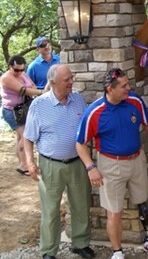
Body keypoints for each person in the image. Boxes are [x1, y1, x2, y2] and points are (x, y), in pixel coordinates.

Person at [75, 68, 148, 259]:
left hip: (136, 160)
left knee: (142, 201)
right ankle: (117, 252)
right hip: (110, 165)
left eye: (128, 84)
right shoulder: (94, 112)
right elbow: (80, 143)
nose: (129, 88)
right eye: (124, 86)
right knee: (114, 211)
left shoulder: (134, 101)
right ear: (110, 89)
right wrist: (91, 167)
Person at [23, 65, 94, 259]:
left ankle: (80, 243)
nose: (71, 82)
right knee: (51, 209)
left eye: (71, 78)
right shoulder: (39, 105)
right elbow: (28, 138)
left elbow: (89, 127)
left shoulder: (78, 100)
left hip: (78, 162)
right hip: (50, 165)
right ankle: (48, 250)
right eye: (67, 80)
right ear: (53, 82)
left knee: (81, 205)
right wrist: (30, 162)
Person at [1, 55, 43, 176]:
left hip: (23, 109)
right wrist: (42, 92)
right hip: (12, 111)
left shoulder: (23, 74)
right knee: (25, 136)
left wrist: (34, 90)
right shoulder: (6, 78)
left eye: (22, 69)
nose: (19, 72)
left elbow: (32, 86)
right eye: (16, 70)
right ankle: (24, 164)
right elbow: (23, 90)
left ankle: (22, 163)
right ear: (10, 67)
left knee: (20, 137)